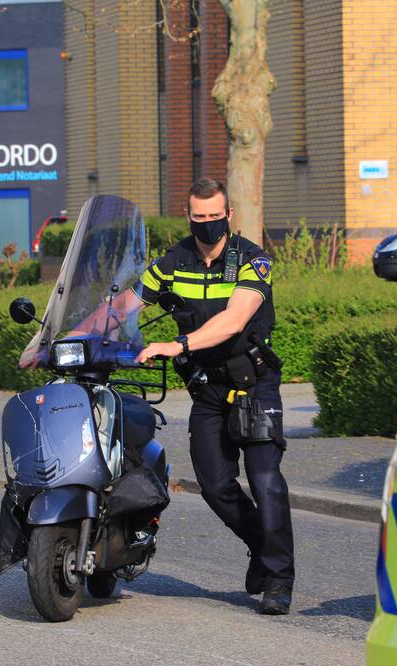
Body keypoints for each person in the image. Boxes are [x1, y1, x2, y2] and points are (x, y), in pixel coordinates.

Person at [133, 178, 294, 615]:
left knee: (265, 480)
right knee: (214, 484)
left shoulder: (252, 261)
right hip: (208, 386)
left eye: (215, 217)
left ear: (229, 215)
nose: (207, 225)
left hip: (254, 384)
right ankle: (262, 546)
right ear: (188, 217)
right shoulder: (172, 262)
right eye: (199, 217)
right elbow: (123, 304)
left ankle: (279, 579)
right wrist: (66, 338)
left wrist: (176, 345)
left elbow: (232, 321)